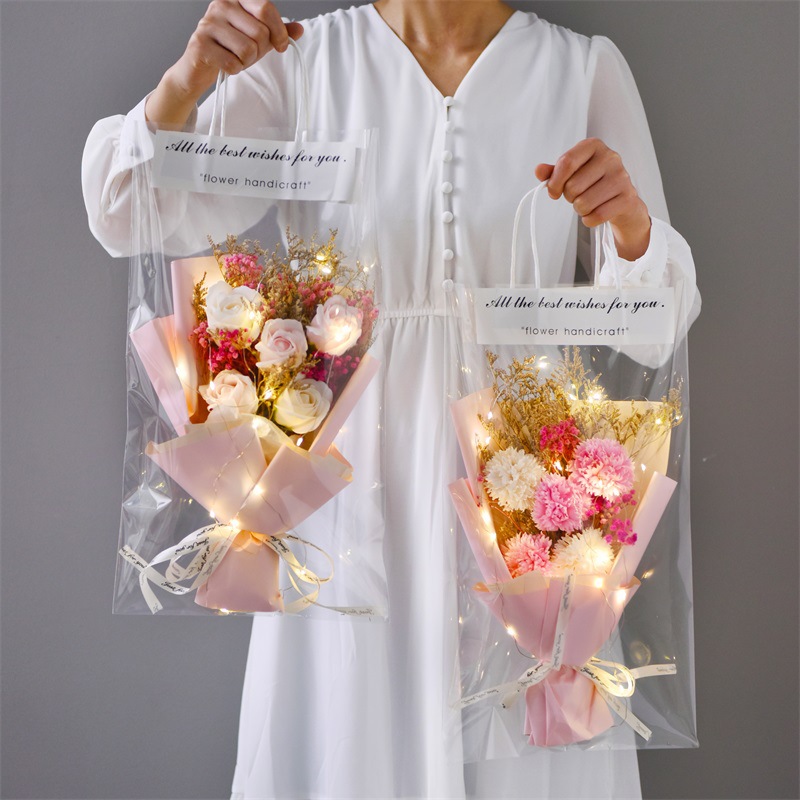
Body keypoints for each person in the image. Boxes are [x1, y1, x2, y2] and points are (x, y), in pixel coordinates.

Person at [83, 1, 700, 797]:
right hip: (347, 485)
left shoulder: (580, 71)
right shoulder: (302, 64)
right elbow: (126, 212)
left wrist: (633, 229)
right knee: (350, 732)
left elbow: (657, 329)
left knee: (519, 744)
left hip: (524, 494)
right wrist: (186, 81)